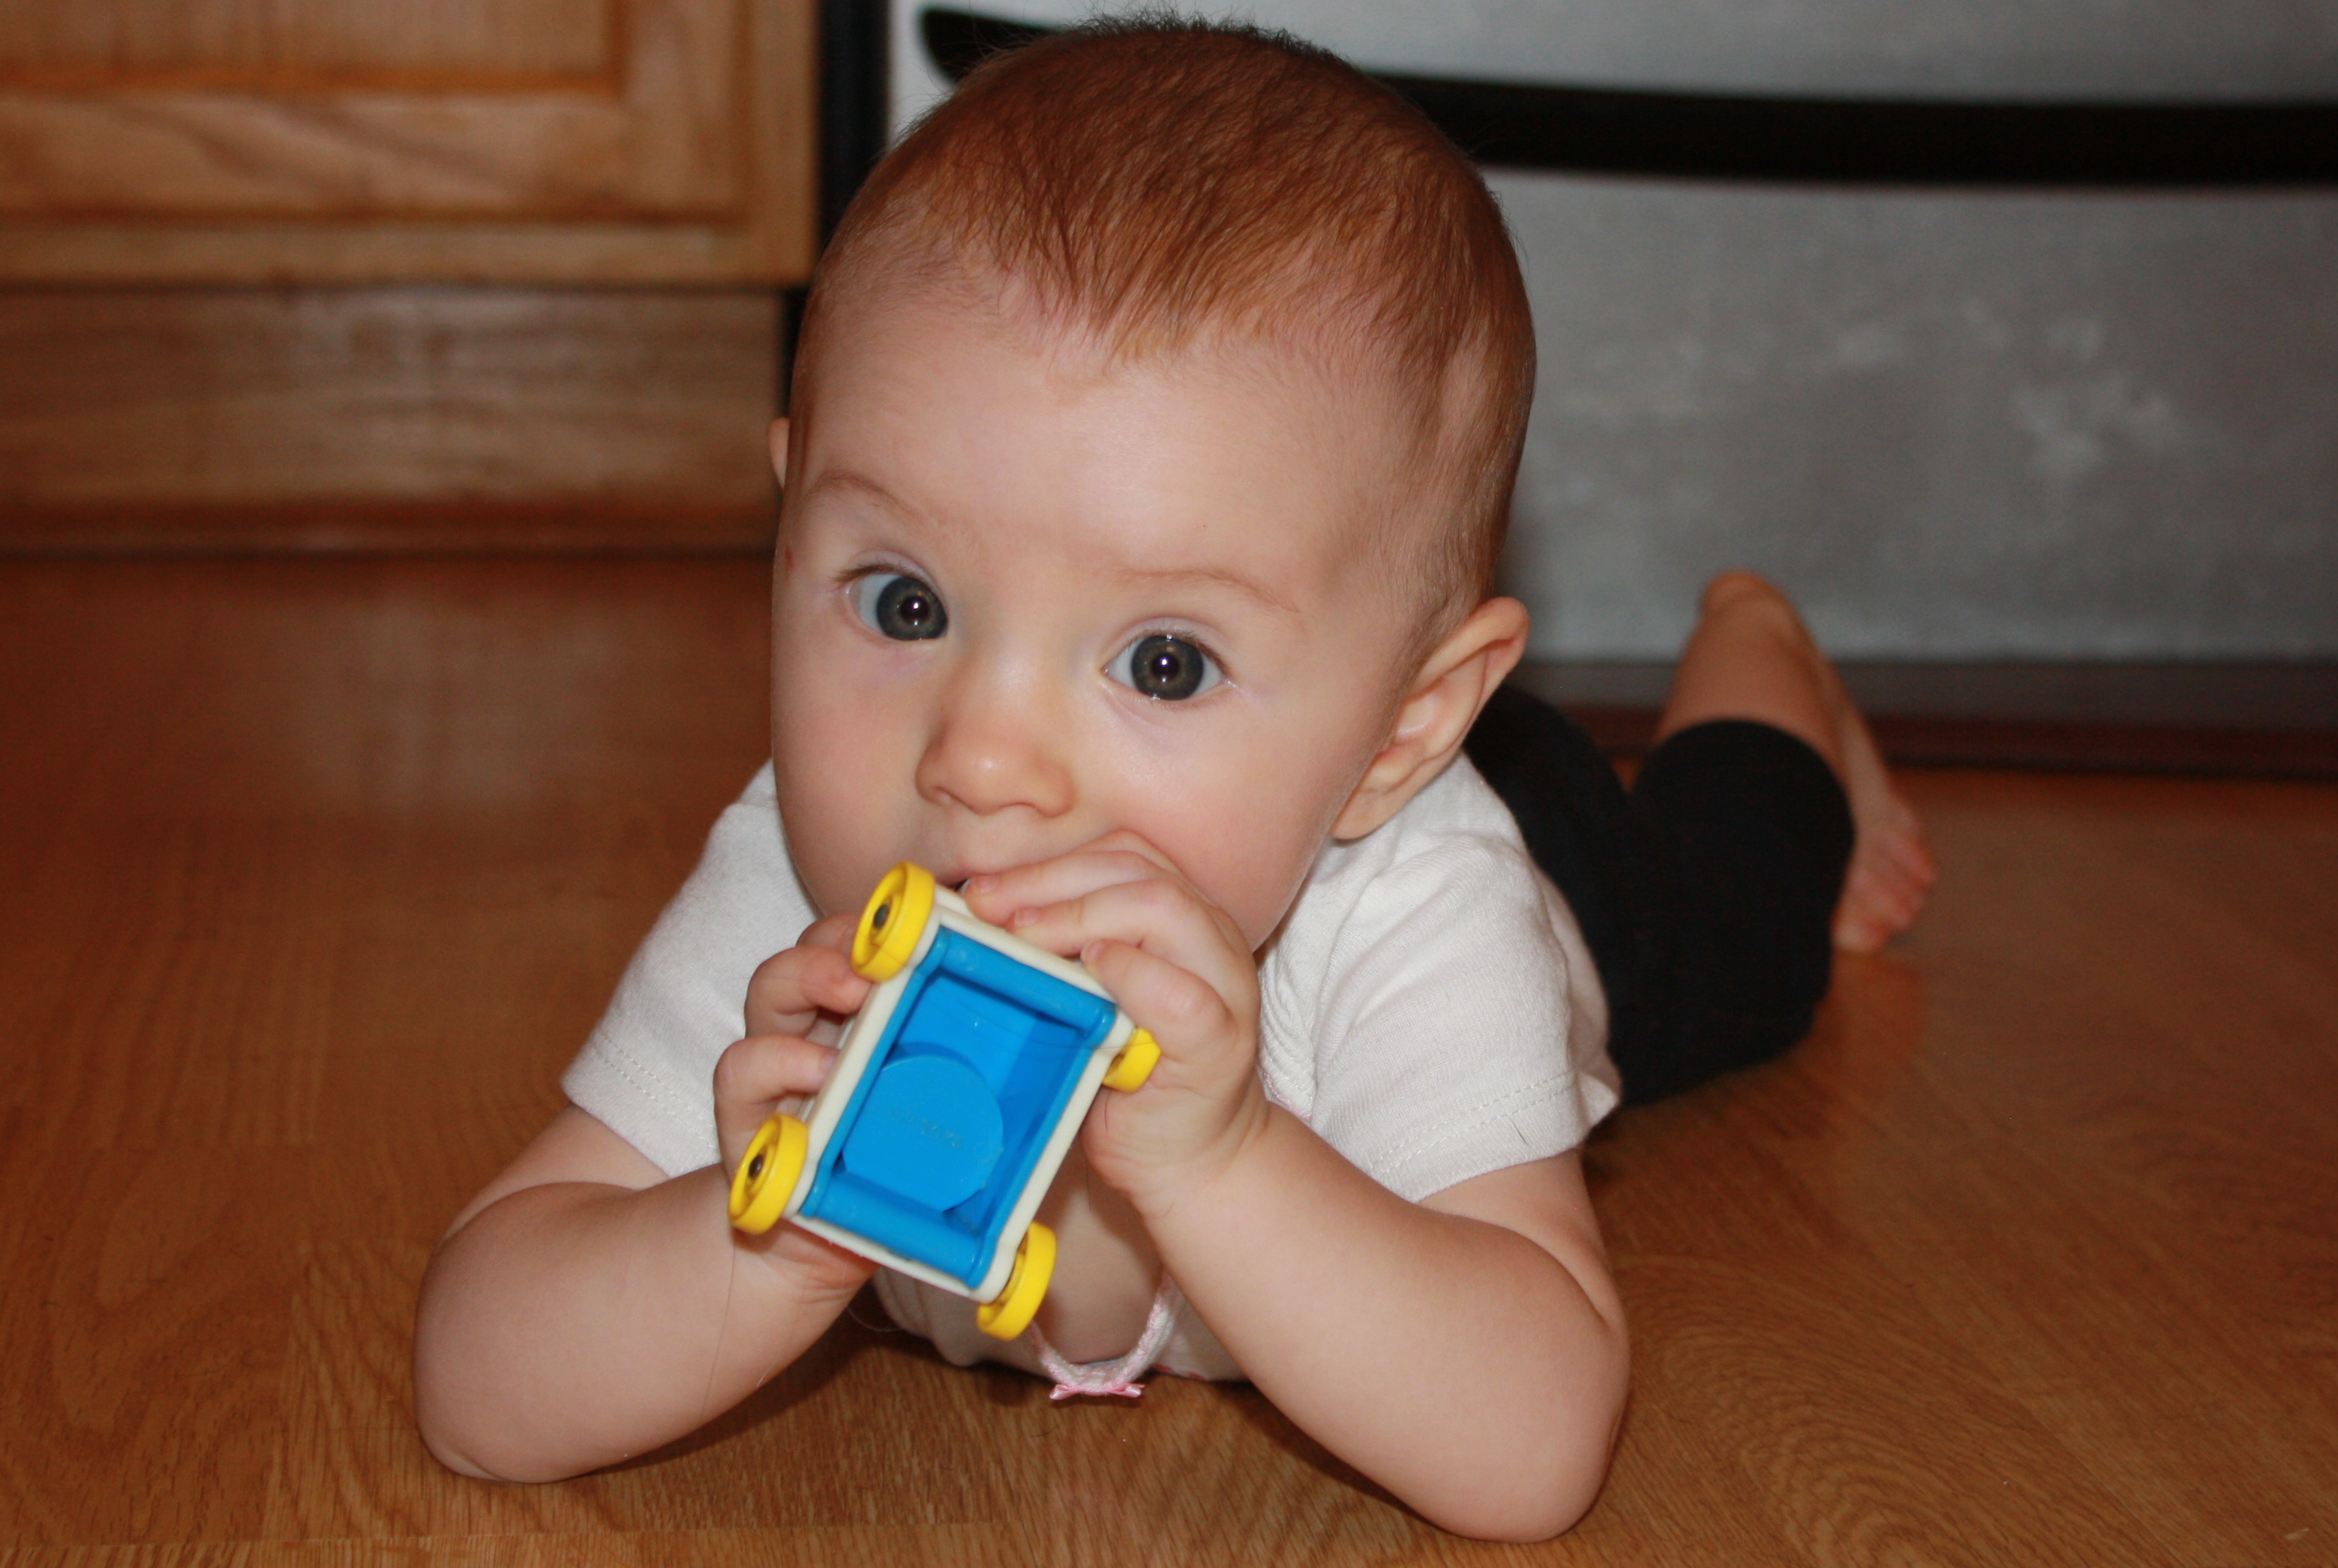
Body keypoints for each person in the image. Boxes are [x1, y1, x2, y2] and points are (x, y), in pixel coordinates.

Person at [411, 19, 1933, 1543]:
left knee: (1745, 892)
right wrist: (761, 1232)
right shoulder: (808, 894)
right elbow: (476, 1377)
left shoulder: (1420, 910)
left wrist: (1226, 1159)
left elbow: (1529, 1449)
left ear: (1403, 725)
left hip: (1555, 865)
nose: (978, 760)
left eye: (1163, 663)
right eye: (905, 604)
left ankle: (1759, 652)